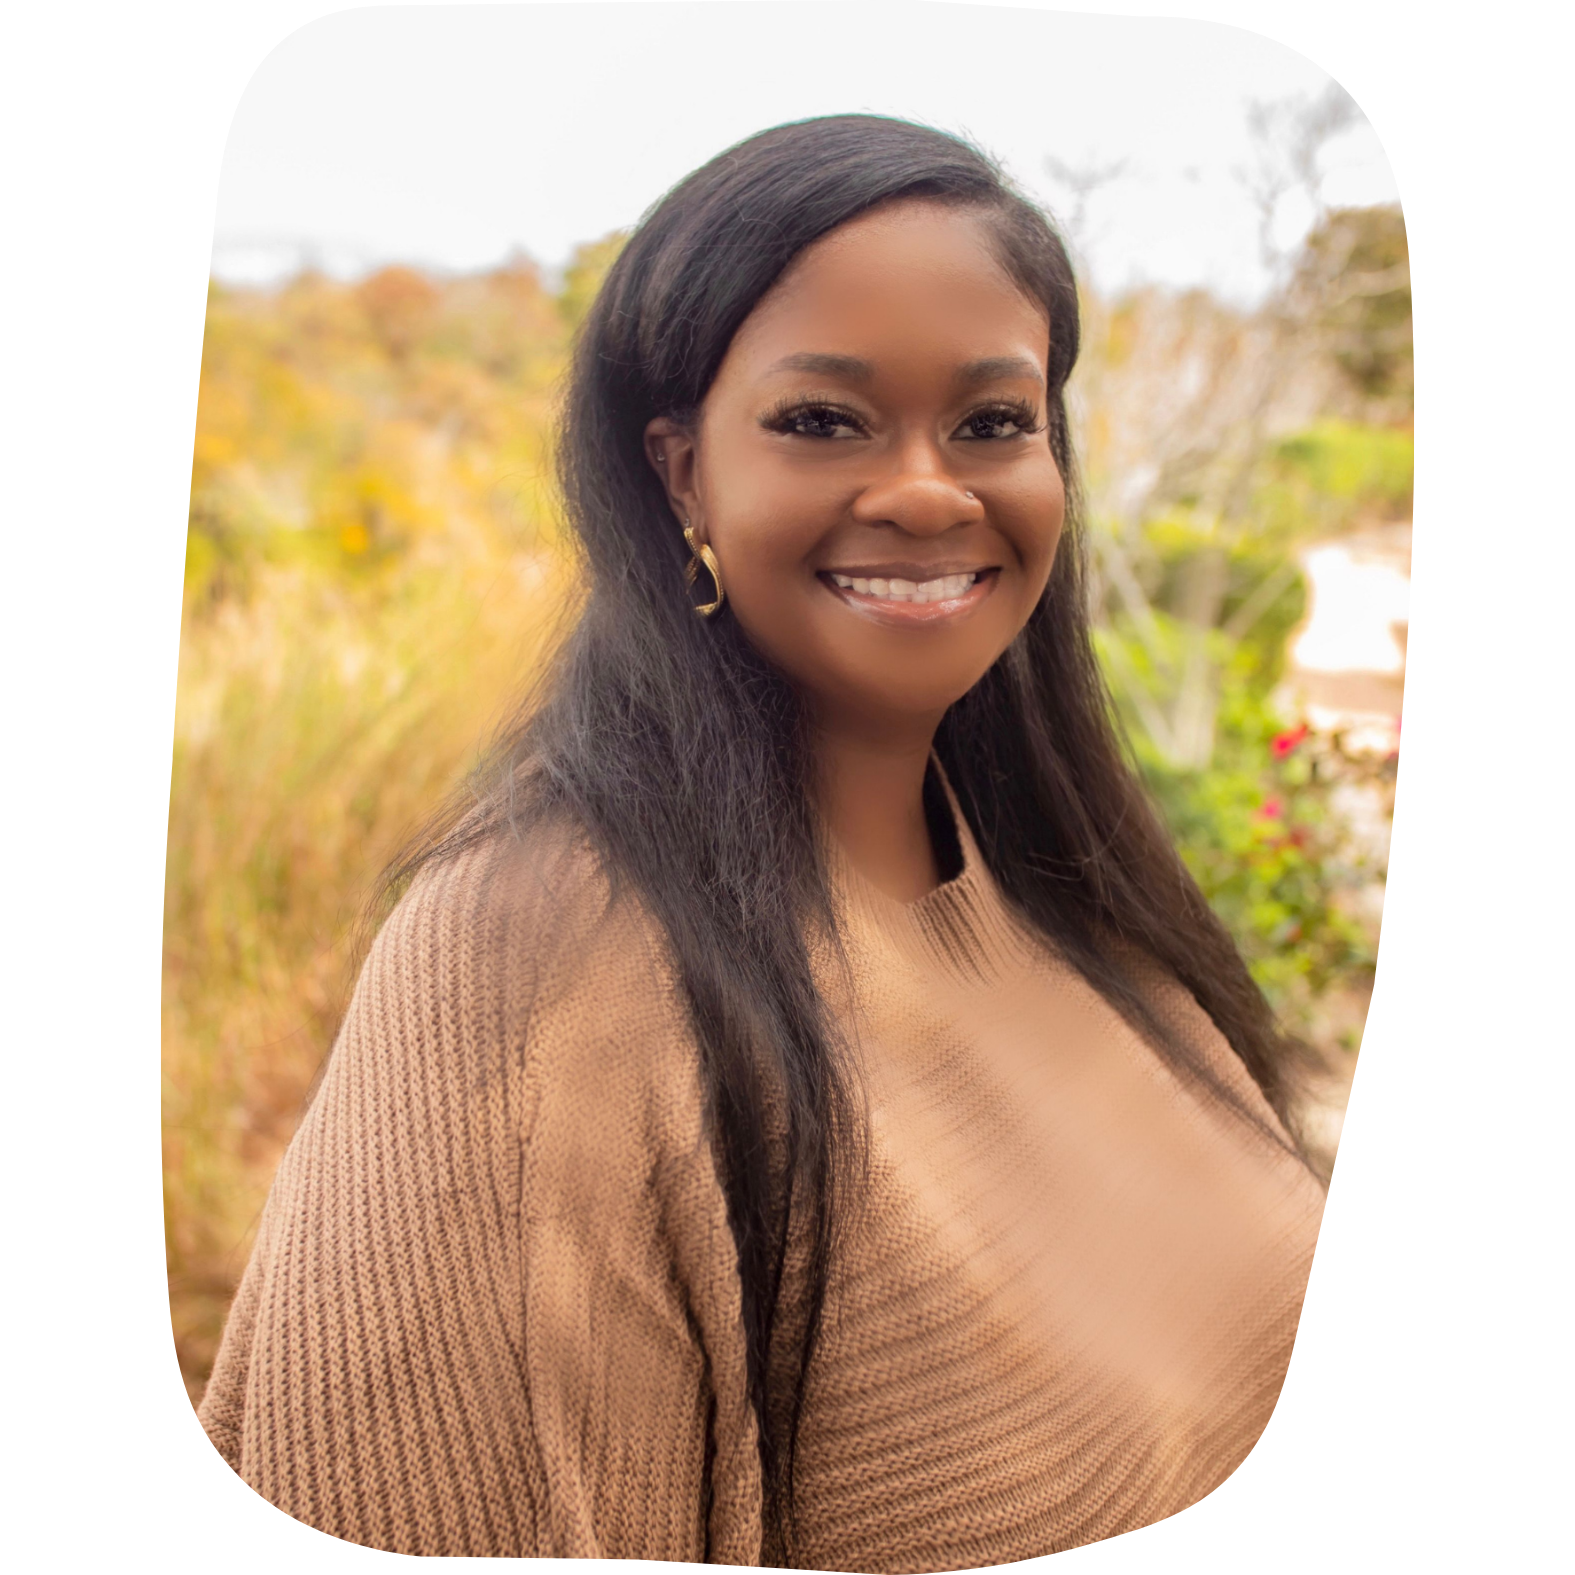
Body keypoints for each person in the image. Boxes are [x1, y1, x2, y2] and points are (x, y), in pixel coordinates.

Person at [197, 113, 1329, 1571]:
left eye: (991, 421)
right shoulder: (535, 964)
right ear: (680, 475)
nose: (928, 488)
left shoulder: (1064, 890)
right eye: (821, 419)